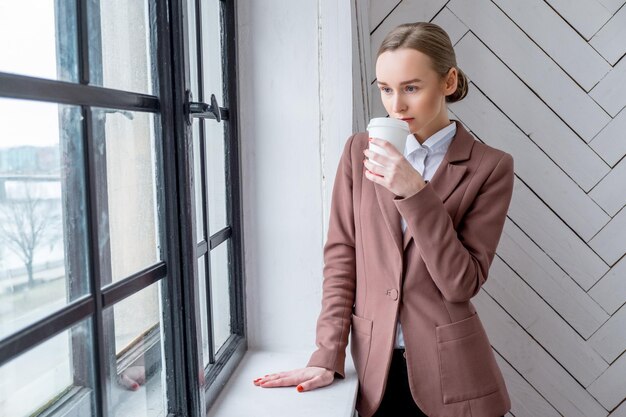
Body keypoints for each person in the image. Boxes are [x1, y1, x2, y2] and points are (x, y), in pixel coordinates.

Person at [253, 21, 513, 417]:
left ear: (448, 82)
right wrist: (327, 354)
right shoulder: (359, 151)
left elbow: (462, 283)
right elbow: (342, 257)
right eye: (386, 89)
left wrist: (416, 193)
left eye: (411, 87)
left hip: (454, 380)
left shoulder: (489, 167)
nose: (396, 106)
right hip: (374, 374)